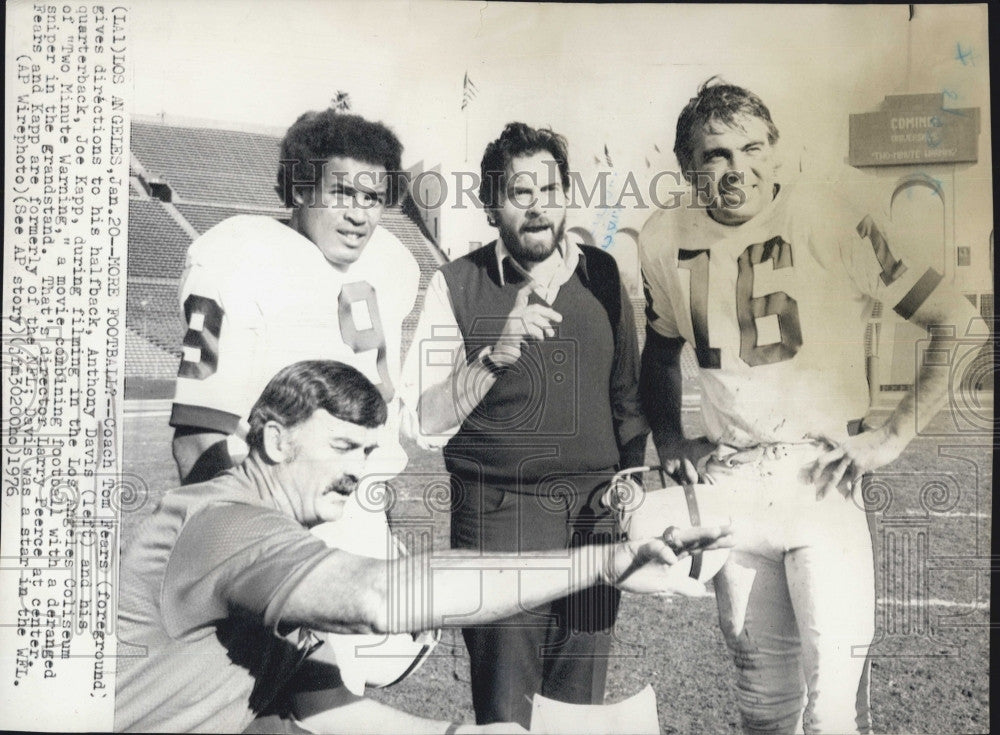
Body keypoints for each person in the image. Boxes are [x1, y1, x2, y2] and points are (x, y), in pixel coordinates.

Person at [114, 360, 729, 733]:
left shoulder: (279, 543)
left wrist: (460, 734)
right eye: (342, 447)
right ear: (276, 442)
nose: (360, 470)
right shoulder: (227, 523)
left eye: (366, 449)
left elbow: (330, 708)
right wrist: (607, 560)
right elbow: (385, 596)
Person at [638, 78, 985, 734]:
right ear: (686, 167)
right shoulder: (663, 237)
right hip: (733, 483)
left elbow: (959, 323)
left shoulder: (825, 212)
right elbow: (658, 353)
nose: (737, 168)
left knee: (830, 709)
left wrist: (890, 437)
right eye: (715, 155)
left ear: (776, 151)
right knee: (763, 707)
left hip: (821, 478)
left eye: (752, 148)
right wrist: (670, 438)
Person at [403, 123, 650, 728]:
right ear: (492, 206)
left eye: (551, 188)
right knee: (508, 710)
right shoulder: (456, 284)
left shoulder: (603, 274)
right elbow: (422, 422)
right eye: (520, 192)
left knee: (578, 707)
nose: (539, 205)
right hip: (499, 514)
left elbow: (627, 396)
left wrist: (635, 479)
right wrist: (492, 356)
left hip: (597, 516)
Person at [169, 110, 419, 488]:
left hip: (362, 510)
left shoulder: (392, 260)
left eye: (372, 198)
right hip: (272, 506)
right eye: (342, 193)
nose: (357, 215)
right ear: (300, 188)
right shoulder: (237, 255)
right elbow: (197, 437)